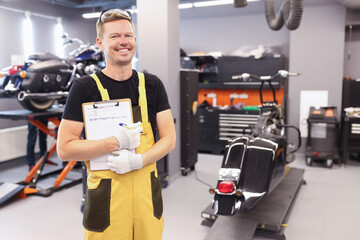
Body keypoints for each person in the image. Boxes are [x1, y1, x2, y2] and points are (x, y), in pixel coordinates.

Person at [57, 8, 176, 240]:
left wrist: (138, 160)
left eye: (128, 35)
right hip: (106, 202)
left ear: (135, 39)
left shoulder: (152, 84)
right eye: (114, 36)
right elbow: (65, 148)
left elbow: (169, 139)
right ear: (100, 42)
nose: (123, 42)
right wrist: (115, 142)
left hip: (146, 200)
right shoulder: (84, 87)